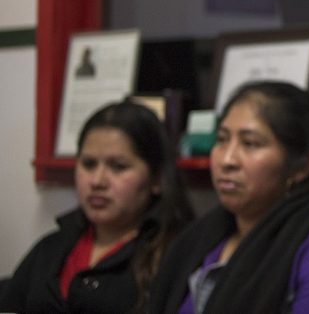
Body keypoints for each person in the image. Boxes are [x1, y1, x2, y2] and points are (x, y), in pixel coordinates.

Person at [149, 80, 309, 314]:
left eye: (250, 143)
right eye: (221, 139)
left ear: (301, 167)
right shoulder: (205, 236)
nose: (227, 160)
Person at [0, 100, 194, 313]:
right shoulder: (51, 249)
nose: (98, 181)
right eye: (89, 164)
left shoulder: (176, 255)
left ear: (157, 179)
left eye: (118, 167)